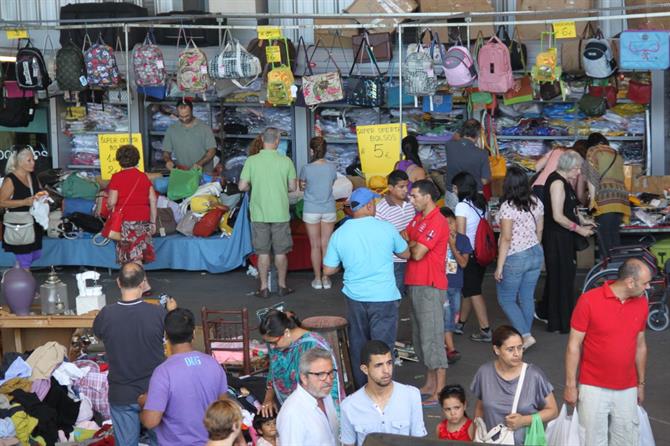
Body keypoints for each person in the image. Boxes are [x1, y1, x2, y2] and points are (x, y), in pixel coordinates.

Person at [323, 187, 409, 387]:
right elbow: (405, 254)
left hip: (355, 297)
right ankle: (383, 388)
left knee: (359, 344)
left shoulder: (340, 233)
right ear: (369, 205)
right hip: (384, 297)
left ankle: (362, 389)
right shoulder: (386, 228)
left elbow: (328, 269)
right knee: (382, 346)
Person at [564, 258, 650, 446]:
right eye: (645, 283)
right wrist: (571, 385)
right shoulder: (588, 300)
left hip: (627, 387)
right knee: (592, 441)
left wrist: (640, 384)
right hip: (593, 385)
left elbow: (640, 345)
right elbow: (573, 345)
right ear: (630, 282)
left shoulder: (642, 303)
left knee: (627, 441)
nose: (648, 286)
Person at [93, 263, 176, 446]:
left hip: (121, 393)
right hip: (154, 392)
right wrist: (172, 313)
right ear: (143, 283)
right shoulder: (158, 313)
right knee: (160, 441)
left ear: (118, 282)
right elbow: (175, 333)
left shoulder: (106, 314)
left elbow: (98, 334)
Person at [140, 308, 229, 445]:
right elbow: (225, 409)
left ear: (166, 335)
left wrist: (144, 403)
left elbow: (151, 422)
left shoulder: (163, 372)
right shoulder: (212, 363)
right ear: (193, 333)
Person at [471, 325, 558, 445]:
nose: (517, 354)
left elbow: (553, 410)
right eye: (510, 349)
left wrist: (524, 420)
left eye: (520, 348)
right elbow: (480, 408)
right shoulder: (484, 373)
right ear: (497, 350)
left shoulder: (534, 375)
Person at [405, 179, 450, 406]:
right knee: (420, 336)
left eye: (414, 196)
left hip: (430, 285)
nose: (410, 199)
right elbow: (405, 238)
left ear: (427, 197)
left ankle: (440, 390)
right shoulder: (419, 218)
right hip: (415, 282)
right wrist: (413, 242)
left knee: (432, 337)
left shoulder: (437, 220)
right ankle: (430, 383)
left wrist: (412, 243)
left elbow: (417, 253)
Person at [239, 127, 297, 298]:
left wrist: (253, 186)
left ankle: (264, 288)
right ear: (277, 141)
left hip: (259, 213)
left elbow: (242, 186)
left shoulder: (251, 161)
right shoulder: (286, 161)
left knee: (262, 252)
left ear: (262, 140)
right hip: (280, 212)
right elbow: (293, 187)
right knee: (280, 252)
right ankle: (282, 286)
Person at [541, 150, 595, 333]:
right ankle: (560, 322)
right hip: (556, 238)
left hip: (563, 237)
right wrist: (580, 229)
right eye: (577, 168)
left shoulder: (564, 181)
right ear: (568, 167)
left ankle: (552, 315)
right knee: (561, 278)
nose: (579, 172)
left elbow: (570, 208)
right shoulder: (557, 183)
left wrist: (584, 220)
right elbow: (558, 216)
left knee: (562, 277)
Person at [494, 166, 544, 350]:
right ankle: (525, 336)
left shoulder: (507, 207)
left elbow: (506, 238)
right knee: (526, 297)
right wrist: (533, 248)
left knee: (506, 298)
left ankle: (524, 334)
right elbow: (539, 230)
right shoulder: (536, 201)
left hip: (516, 255)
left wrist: (499, 267)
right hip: (536, 252)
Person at [340, 340, 427, 446]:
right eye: (378, 365)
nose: (386, 370)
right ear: (365, 369)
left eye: (389, 363)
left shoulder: (411, 395)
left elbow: (419, 442)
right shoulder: (349, 406)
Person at [258, 310, 341, 417]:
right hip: (292, 407)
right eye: (268, 343)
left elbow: (328, 386)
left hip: (316, 410)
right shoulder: (280, 344)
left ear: (287, 332)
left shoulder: (314, 346)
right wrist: (268, 397)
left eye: (274, 342)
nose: (272, 347)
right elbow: (274, 369)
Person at [451, 172, 492, 342]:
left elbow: (461, 233)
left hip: (469, 254)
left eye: (454, 187)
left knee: (473, 291)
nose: (452, 190)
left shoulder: (462, 206)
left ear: (460, 188)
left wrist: (456, 251)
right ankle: (460, 323)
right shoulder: (481, 203)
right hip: (481, 253)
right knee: (468, 289)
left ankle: (486, 329)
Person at [276, 348, 339, 446]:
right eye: (321, 374)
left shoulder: (325, 395)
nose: (329, 380)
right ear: (304, 378)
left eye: (331, 372)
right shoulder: (292, 413)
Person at [107, 144, 157, 265]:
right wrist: (153, 222)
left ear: (119, 160)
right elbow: (153, 200)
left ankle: (137, 281)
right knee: (138, 253)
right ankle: (137, 280)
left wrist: (109, 206)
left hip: (124, 221)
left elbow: (112, 201)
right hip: (143, 220)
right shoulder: (143, 177)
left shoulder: (116, 177)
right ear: (137, 159)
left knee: (128, 254)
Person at [299, 137, 337, 290]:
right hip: (328, 208)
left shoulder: (306, 168)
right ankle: (326, 278)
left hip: (311, 208)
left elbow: (302, 187)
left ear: (311, 150)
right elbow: (331, 184)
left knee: (315, 246)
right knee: (326, 245)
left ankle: (317, 279)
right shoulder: (332, 167)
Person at [582, 138, 630, 257]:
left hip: (605, 198)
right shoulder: (616, 154)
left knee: (604, 238)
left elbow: (592, 178)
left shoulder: (593, 151)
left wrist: (592, 201)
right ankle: (616, 268)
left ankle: (608, 269)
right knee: (614, 236)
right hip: (621, 199)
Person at [0, 145, 45, 269]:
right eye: (29, 160)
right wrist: (23, 202)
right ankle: (27, 286)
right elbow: (1, 202)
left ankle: (15, 273)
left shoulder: (32, 176)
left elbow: (39, 192)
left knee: (36, 254)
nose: (33, 162)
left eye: (33, 159)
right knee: (26, 261)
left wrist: (44, 197)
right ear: (19, 162)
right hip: (18, 223)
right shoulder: (10, 179)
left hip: (33, 222)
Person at [374, 170, 416, 295]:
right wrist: (399, 236)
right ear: (390, 188)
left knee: (412, 293)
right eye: (401, 187)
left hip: (413, 255)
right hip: (394, 260)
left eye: (406, 186)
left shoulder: (411, 202)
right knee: (395, 294)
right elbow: (378, 237)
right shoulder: (381, 209)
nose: (405, 190)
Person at [440, 207, 472, 364]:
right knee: (446, 315)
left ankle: (444, 341)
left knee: (455, 313)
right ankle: (450, 348)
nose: (449, 227)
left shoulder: (463, 240)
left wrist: (452, 245)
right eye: (445, 224)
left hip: (456, 285)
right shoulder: (437, 241)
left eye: (451, 223)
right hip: (441, 285)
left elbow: (463, 263)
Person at [162, 98, 217, 173]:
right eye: (181, 116)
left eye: (187, 116)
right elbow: (166, 152)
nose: (184, 119)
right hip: (183, 173)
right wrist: (168, 161)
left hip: (204, 174)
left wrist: (199, 163)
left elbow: (212, 151)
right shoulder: (172, 130)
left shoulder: (204, 128)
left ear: (192, 111)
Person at [444, 119, 491, 205]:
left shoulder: (449, 146)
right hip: (473, 196)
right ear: (478, 134)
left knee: (452, 218)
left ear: (462, 131)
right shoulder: (482, 154)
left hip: (452, 194)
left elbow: (455, 136)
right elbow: (484, 180)